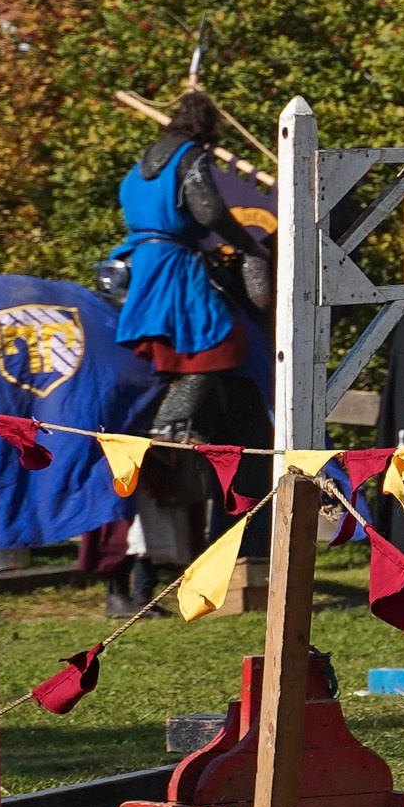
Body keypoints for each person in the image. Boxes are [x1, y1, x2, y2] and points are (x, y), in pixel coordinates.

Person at [108, 89, 273, 614]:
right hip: (174, 266)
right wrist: (246, 243)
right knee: (218, 341)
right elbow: (208, 209)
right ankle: (172, 422)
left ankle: (175, 417)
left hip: (141, 259)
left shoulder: (145, 159)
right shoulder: (189, 158)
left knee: (175, 345)